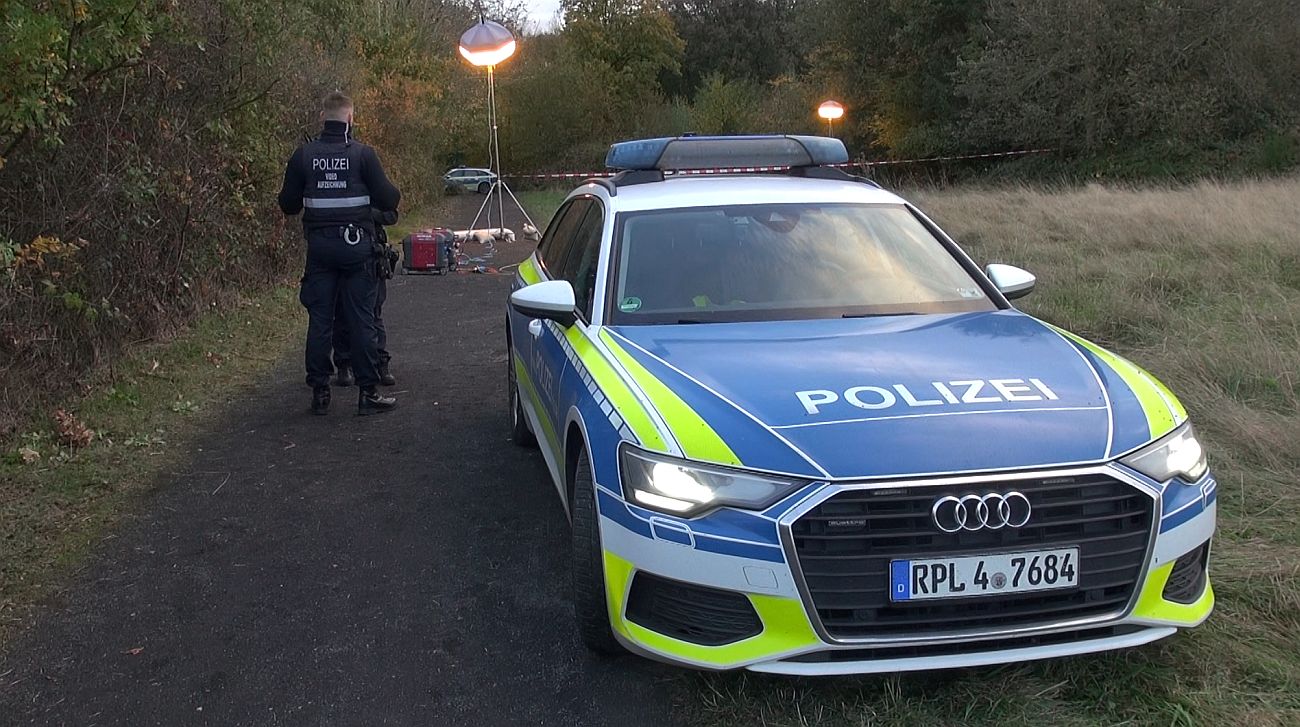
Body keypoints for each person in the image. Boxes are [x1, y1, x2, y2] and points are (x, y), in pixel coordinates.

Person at [277, 91, 400, 416]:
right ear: (350, 118)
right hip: (357, 248)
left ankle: (320, 391)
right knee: (361, 319)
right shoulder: (362, 155)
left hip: (320, 250)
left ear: (322, 118)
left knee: (320, 320)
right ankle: (368, 392)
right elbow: (389, 199)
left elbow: (287, 205)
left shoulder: (304, 156)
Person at [332, 207, 399, 387]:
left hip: (371, 252)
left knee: (374, 312)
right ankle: (344, 364)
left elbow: (391, 214)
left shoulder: (370, 181)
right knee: (342, 311)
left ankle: (380, 363)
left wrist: (365, 212)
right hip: (341, 251)